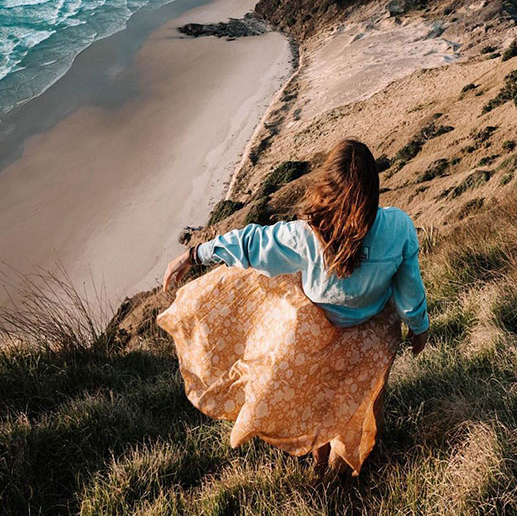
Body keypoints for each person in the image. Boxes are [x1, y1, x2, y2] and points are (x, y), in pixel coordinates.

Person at [157, 138, 429, 477]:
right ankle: (344, 475)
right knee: (360, 403)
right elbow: (408, 288)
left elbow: (253, 243)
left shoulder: (307, 234)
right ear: (373, 187)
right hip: (370, 336)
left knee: (318, 400)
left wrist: (194, 254)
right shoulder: (399, 226)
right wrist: (419, 326)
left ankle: (320, 467)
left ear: (328, 188)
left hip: (316, 333)